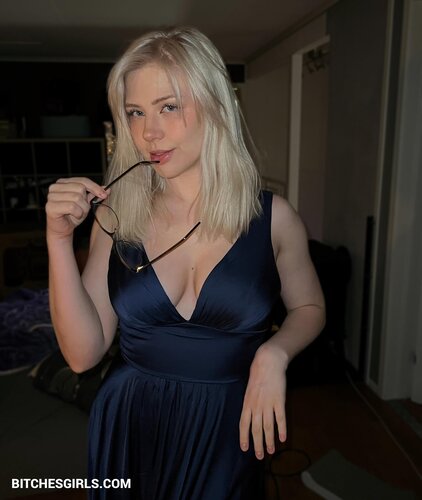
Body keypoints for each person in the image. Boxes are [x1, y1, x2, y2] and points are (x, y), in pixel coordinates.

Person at [46, 26, 325, 500]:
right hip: (131, 424)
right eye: (135, 112)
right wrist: (57, 239)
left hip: (229, 428)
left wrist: (274, 354)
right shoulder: (116, 218)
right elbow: (82, 355)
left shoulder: (273, 218)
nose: (148, 132)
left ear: (216, 105)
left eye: (169, 107)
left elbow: (309, 308)